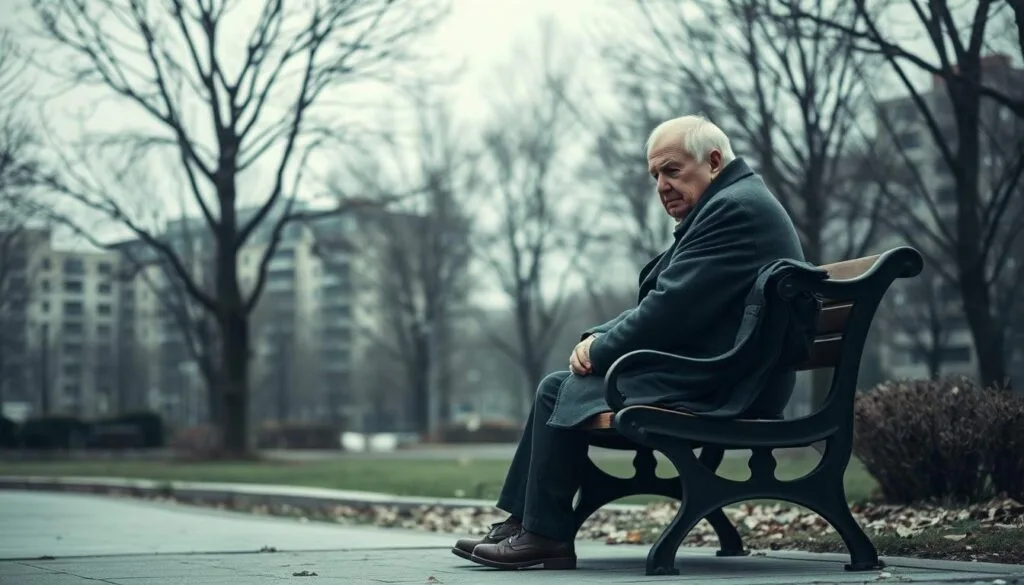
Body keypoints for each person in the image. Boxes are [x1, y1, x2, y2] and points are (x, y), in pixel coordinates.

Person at [452, 115, 807, 571]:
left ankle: (541, 532)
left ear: (714, 162)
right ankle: (530, 525)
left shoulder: (733, 208)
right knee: (558, 386)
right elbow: (673, 302)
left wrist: (600, 350)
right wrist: (599, 337)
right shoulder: (732, 201)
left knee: (557, 389)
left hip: (734, 380)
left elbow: (669, 310)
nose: (662, 185)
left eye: (672, 170)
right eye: (655, 175)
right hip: (730, 368)